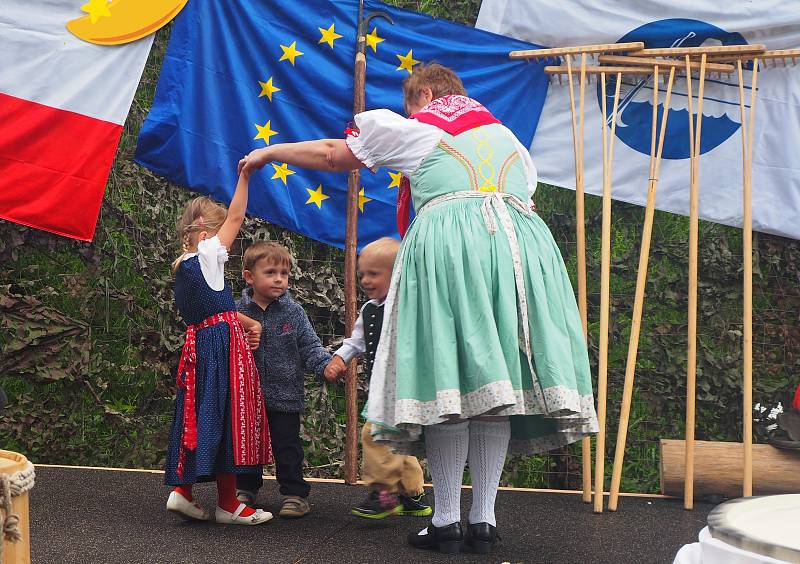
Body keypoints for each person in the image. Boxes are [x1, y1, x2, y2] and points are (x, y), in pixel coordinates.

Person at [240, 63, 598, 554]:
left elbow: (332, 154)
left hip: (454, 249)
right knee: (490, 387)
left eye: (412, 104)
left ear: (424, 94)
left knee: (448, 376)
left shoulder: (423, 127)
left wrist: (268, 152)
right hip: (522, 258)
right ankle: (484, 519)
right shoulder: (509, 140)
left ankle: (447, 519)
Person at [164, 169, 273, 526]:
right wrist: (245, 176)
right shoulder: (209, 253)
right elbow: (238, 215)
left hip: (201, 346)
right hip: (222, 349)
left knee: (200, 414)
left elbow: (216, 311)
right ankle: (229, 504)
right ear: (206, 233)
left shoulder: (183, 267)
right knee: (229, 416)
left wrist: (248, 322)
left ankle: (183, 492)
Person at [324, 237, 432, 520]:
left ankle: (383, 493)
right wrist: (339, 358)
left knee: (374, 433)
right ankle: (413, 494)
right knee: (397, 438)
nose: (365, 280)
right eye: (362, 274)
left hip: (406, 385)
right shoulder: (369, 309)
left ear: (397, 274)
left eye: (374, 273)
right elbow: (357, 340)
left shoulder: (410, 305)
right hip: (382, 386)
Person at [234, 240, 332, 519]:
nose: (279, 279)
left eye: (284, 274)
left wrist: (325, 366)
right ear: (249, 277)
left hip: (285, 394)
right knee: (248, 445)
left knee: (287, 445)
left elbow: (310, 346)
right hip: (247, 397)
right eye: (271, 272)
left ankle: (294, 494)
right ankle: (245, 489)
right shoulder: (235, 312)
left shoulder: (294, 313)